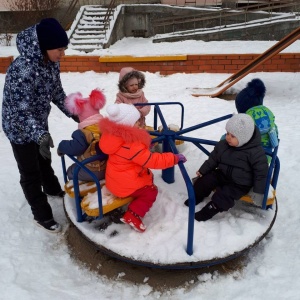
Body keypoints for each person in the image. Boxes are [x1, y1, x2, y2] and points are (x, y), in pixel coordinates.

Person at [1, 18, 78, 233]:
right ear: (44, 46)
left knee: (44, 157)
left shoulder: (51, 63)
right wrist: (38, 134)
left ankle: (52, 188)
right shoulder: (22, 70)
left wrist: (76, 112)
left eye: (64, 49)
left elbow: (56, 92)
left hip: (38, 122)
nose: (62, 54)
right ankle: (41, 214)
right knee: (30, 171)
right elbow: (20, 111)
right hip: (19, 127)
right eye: (59, 49)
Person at [99, 103, 187, 232]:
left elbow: (130, 155)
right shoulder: (132, 145)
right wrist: (174, 158)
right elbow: (152, 161)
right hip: (125, 186)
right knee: (151, 191)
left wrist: (144, 147)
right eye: (137, 122)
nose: (141, 125)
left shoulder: (112, 137)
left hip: (114, 181)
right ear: (127, 126)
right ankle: (132, 215)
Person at [185, 114, 268, 222]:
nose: (228, 137)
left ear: (244, 138)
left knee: (224, 196)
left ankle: (208, 211)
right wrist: (203, 170)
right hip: (222, 174)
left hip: (240, 183)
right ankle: (197, 196)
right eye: (227, 133)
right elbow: (213, 159)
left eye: (233, 136)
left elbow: (261, 173)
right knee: (205, 181)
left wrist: (258, 191)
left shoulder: (255, 153)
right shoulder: (224, 145)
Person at [57, 88, 107, 181]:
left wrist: (62, 146)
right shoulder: (107, 128)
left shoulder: (82, 133)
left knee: (71, 171)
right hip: (107, 168)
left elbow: (76, 148)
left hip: (91, 171)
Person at [235, 78, 279, 160]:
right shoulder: (270, 121)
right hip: (266, 157)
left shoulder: (246, 123)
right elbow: (275, 141)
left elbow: (235, 136)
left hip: (248, 160)